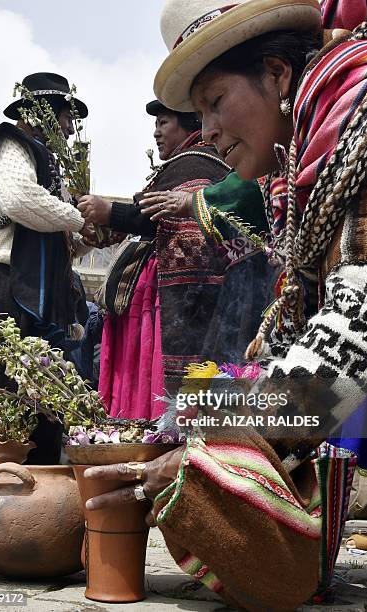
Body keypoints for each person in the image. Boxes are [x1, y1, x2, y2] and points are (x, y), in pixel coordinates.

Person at [83, 0, 367, 609]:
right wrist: (199, 416)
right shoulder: (305, 155)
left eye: (214, 102)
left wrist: (209, 459)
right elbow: (290, 328)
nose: (205, 130)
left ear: (278, 75)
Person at [0, 72, 92, 479]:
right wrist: (79, 217)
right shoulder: (9, 142)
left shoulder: (50, 163)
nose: (71, 129)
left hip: (40, 294)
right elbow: (19, 200)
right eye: (68, 117)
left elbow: (58, 239)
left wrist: (88, 235)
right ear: (46, 113)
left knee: (44, 398)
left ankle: (42, 503)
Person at [78, 100, 231, 419]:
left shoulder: (196, 161)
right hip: (180, 297)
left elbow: (149, 213)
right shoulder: (186, 164)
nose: (156, 132)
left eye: (163, 123)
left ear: (189, 123)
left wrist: (109, 213)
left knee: (156, 379)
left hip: (174, 300)